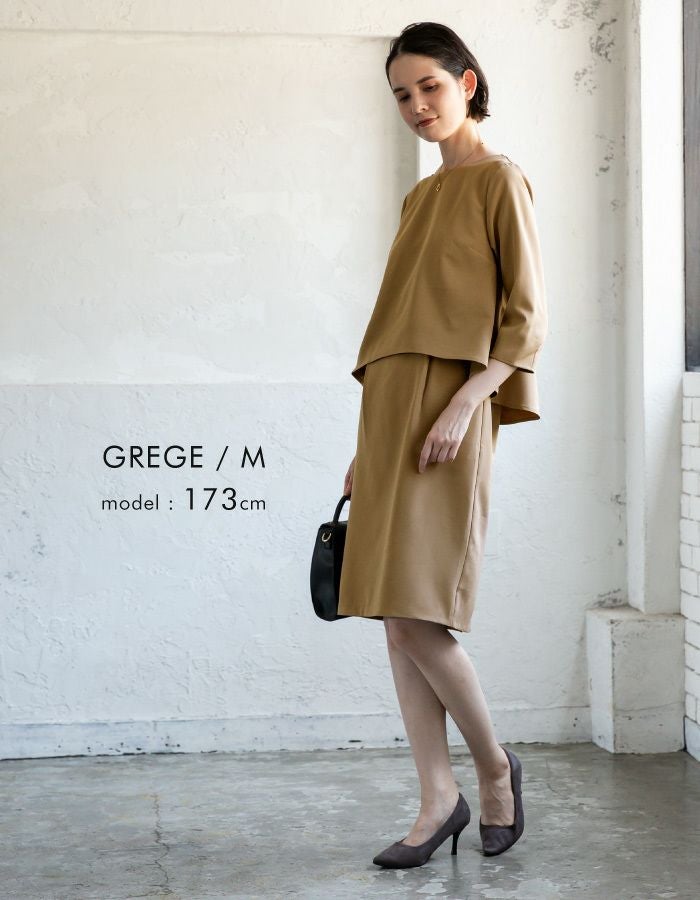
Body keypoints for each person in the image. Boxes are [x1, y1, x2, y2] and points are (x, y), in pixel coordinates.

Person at [336, 21, 548, 867]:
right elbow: (396, 324)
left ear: (467, 82)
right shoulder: (419, 199)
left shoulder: (500, 179)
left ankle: (494, 769)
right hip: (391, 411)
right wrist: (366, 446)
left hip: (448, 410)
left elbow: (525, 318)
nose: (416, 105)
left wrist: (466, 403)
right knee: (394, 618)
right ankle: (437, 797)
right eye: (401, 95)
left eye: (428, 86)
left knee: (421, 613)